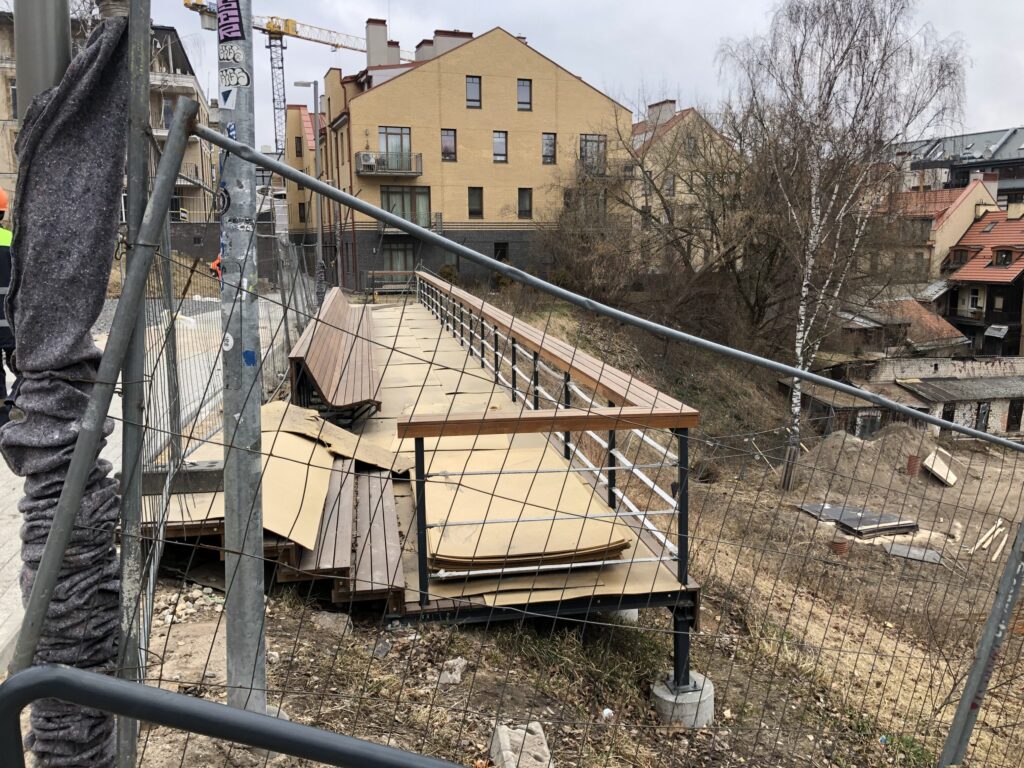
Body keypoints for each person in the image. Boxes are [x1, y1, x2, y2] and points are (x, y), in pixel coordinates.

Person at [0, 187, 14, 426]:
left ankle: (2, 421)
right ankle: (18, 407)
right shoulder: (13, 241)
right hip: (12, 323)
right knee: (27, 372)